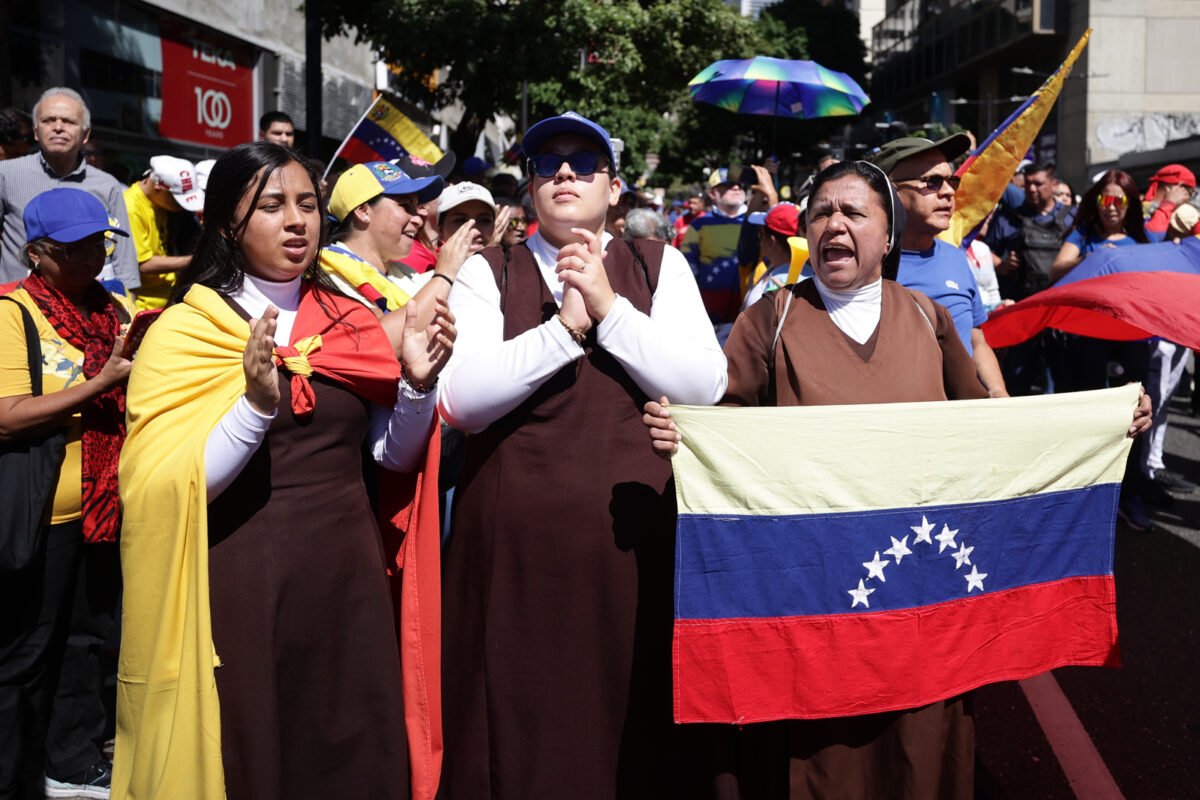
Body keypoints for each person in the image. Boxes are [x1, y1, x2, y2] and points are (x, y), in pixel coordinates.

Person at [642, 160, 1152, 799]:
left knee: (917, 757)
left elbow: (990, 433)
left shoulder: (927, 318)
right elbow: (721, 432)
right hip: (812, 604)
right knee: (819, 760)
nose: (834, 224)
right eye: (822, 211)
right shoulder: (768, 320)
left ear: (886, 238)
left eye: (853, 212)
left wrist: (1101, 422)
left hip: (918, 604)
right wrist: (683, 437)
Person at [113, 141, 454, 800]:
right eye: (272, 206)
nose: (298, 222)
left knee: (351, 747)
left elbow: (391, 458)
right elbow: (168, 486)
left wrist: (415, 386)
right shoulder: (185, 332)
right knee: (258, 751)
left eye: (307, 205)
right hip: (243, 579)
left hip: (346, 577)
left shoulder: (351, 319)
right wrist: (254, 408)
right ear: (223, 225)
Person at [437, 111, 726, 798]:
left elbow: (705, 386)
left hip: (635, 548)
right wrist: (566, 330)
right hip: (515, 557)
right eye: (547, 163)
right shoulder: (492, 271)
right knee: (522, 732)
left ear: (615, 187)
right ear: (531, 187)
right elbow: (462, 400)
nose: (563, 172)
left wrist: (610, 308)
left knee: (633, 727)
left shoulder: (658, 266)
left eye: (583, 162)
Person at [0, 188, 134, 800]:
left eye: (98, 244)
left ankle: (72, 762)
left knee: (88, 642)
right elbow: (9, 415)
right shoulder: (13, 312)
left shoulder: (114, 310)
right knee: (26, 652)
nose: (90, 258)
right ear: (36, 254)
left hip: (104, 511)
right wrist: (97, 384)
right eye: (74, 248)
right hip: (41, 518)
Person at [873, 134, 1008, 397]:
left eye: (951, 181)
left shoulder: (956, 258)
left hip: (963, 418)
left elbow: (976, 339)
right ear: (891, 190)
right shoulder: (867, 267)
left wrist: (998, 391)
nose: (948, 192)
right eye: (933, 182)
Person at [0, 88, 138, 291]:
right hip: (16, 309)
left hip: (86, 312)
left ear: (85, 134)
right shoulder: (6, 174)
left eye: (69, 121)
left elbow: (124, 262)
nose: (58, 127)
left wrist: (126, 307)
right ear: (36, 131)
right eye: (49, 120)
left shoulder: (107, 185)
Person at [320, 160, 451, 312]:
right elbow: (378, 332)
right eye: (405, 206)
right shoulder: (329, 272)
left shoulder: (405, 273)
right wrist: (445, 274)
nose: (418, 220)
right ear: (363, 211)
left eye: (416, 207)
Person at [123, 155, 204, 310]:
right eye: (176, 200)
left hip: (164, 300)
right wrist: (194, 260)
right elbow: (142, 264)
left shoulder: (157, 204)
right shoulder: (131, 208)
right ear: (158, 186)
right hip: (142, 306)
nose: (181, 207)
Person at [681, 167, 749, 330]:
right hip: (709, 321)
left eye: (740, 185)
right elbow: (688, 272)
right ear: (713, 193)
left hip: (750, 318)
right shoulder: (699, 225)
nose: (736, 188)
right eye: (728, 185)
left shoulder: (756, 222)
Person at [1051, 169, 1147, 283]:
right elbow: (1055, 272)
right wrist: (1087, 259)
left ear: (1129, 204)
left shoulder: (1143, 236)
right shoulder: (1082, 234)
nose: (1111, 208)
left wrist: (1173, 242)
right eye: (1105, 200)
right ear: (1097, 202)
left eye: (1119, 201)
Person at [741, 201, 802, 310]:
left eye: (760, 233)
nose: (758, 239)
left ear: (771, 241)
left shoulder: (784, 283)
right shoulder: (776, 266)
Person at [1142, 164, 1199, 240]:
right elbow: (1151, 238)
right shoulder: (1139, 210)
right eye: (1189, 193)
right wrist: (1168, 204)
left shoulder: (1180, 212)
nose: (1188, 199)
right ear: (1172, 188)